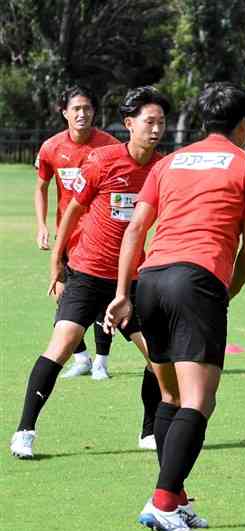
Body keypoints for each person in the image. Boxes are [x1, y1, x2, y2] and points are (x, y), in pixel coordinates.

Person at [104, 82, 245, 531]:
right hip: (196, 282)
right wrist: (225, 291)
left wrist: (123, 293)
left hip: (149, 281)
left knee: (169, 396)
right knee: (199, 400)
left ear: (201, 123)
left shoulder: (168, 162)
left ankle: (174, 496)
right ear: (243, 125)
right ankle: (160, 505)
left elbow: (136, 228)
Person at [9, 86, 169, 460]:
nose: (156, 129)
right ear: (130, 124)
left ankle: (149, 432)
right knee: (63, 344)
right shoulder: (102, 161)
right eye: (150, 121)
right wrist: (57, 263)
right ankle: (24, 431)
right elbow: (72, 212)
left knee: (157, 356)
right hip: (86, 272)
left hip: (131, 280)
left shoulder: (162, 169)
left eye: (162, 122)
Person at [34, 85, 119, 380]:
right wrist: (43, 225)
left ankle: (101, 362)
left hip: (101, 237)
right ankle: (81, 358)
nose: (82, 114)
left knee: (101, 301)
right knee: (63, 295)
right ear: (64, 112)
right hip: (68, 236)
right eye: (76, 109)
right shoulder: (51, 148)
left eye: (87, 108)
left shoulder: (109, 146)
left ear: (94, 112)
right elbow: (41, 188)